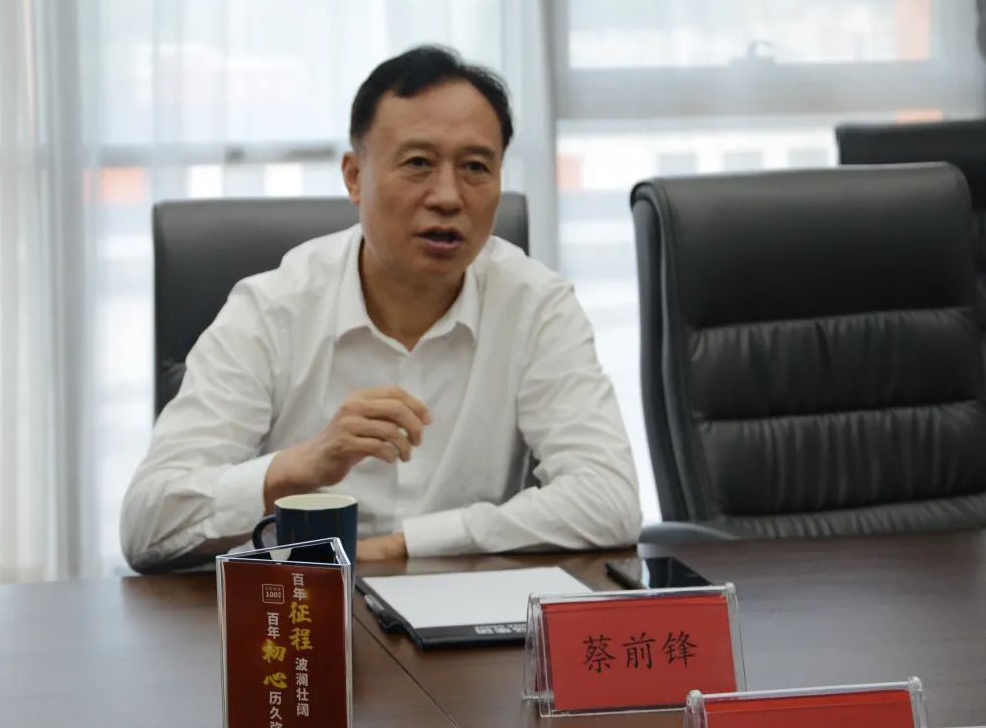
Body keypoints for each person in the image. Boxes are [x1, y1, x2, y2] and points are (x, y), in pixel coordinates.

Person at [120, 45, 642, 573]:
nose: (448, 196)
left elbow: (609, 500)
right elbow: (148, 524)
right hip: (304, 604)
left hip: (468, 605)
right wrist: (299, 466)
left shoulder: (535, 304)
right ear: (354, 176)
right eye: (418, 164)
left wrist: (406, 545)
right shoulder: (271, 310)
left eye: (475, 167)